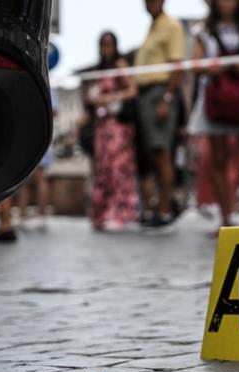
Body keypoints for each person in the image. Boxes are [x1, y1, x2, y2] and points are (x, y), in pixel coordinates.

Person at [187, 0, 239, 230]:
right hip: (215, 101)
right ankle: (226, 219)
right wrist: (212, 67)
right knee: (218, 161)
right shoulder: (203, 31)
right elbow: (195, 64)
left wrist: (234, 65)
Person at [135, 0, 186, 231]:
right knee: (155, 154)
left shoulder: (172, 26)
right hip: (146, 95)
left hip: (160, 93)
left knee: (162, 152)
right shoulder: (151, 27)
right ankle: (161, 206)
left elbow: (176, 65)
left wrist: (167, 98)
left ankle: (165, 208)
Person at [86, 32, 140, 232]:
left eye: (109, 44)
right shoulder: (100, 69)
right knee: (103, 170)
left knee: (119, 169)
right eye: (103, 44)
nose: (105, 48)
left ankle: (121, 213)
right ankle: (101, 213)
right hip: (102, 128)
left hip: (118, 127)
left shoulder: (120, 66)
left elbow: (132, 90)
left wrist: (110, 97)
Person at [16, 89, 58, 231]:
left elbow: (54, 111)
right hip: (37, 132)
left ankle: (38, 215)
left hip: (35, 133)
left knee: (35, 178)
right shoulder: (47, 83)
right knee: (27, 179)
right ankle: (31, 215)